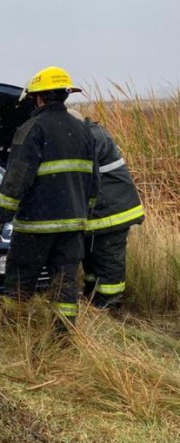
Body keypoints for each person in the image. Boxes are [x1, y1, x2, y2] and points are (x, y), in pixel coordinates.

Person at [0, 67, 98, 327]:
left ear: (38, 98)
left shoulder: (31, 129)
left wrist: (0, 218)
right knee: (65, 283)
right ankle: (63, 334)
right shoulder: (83, 130)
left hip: (35, 226)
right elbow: (93, 181)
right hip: (73, 225)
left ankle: (14, 330)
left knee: (20, 279)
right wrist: (85, 214)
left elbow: (17, 179)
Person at [66, 109, 145, 309]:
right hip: (101, 215)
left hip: (112, 215)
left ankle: (110, 309)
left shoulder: (92, 136)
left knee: (109, 269)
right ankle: (95, 304)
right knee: (93, 266)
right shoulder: (89, 132)